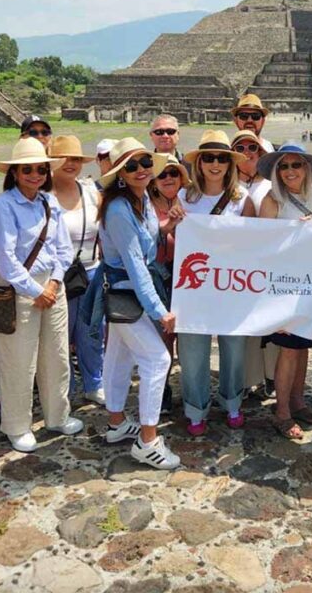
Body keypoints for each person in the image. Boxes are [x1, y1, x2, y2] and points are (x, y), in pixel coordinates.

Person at [0, 138, 82, 453]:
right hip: (18, 287)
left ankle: (57, 414)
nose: (35, 174)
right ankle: (16, 424)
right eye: (27, 169)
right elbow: (6, 256)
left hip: (52, 285)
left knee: (56, 356)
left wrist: (53, 283)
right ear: (14, 172)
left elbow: (63, 249)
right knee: (17, 361)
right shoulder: (3, 206)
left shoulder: (48, 203)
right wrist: (35, 290)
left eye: (40, 169)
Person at [95, 138, 180, 469]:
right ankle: (148, 440)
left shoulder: (139, 200)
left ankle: (117, 423)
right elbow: (134, 264)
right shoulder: (118, 209)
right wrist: (161, 312)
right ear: (119, 173)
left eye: (145, 163)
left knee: (118, 356)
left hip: (127, 292)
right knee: (158, 360)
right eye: (131, 166)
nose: (141, 170)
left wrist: (166, 227)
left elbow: (144, 242)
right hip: (125, 290)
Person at [177, 130, 255, 435]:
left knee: (233, 348)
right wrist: (172, 223)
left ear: (229, 163)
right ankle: (195, 407)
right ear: (199, 162)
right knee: (193, 350)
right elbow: (173, 237)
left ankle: (232, 401)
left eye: (221, 158)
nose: (214, 164)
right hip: (195, 287)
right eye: (208, 157)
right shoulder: (185, 197)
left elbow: (254, 242)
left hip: (229, 286)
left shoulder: (242, 199)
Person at [257, 143, 312, 438]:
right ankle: (282, 410)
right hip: (284, 287)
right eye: (284, 166)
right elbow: (263, 245)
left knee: (303, 349)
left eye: (296, 165)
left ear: (307, 169)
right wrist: (293, 235)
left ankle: (298, 401)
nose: (290, 171)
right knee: (288, 350)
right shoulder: (272, 199)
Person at [49, 135, 104, 405]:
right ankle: (64, 390)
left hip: (91, 271)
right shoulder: (44, 196)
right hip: (57, 277)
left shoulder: (91, 192)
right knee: (60, 338)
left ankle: (94, 382)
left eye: (75, 159)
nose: (70, 164)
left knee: (92, 332)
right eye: (64, 159)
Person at [231, 130, 278, 397]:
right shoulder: (224, 185)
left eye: (253, 147)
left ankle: (272, 376)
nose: (248, 152)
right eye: (241, 147)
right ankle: (247, 378)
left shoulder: (273, 184)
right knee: (244, 327)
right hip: (238, 268)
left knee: (270, 324)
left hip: (269, 264)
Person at [148, 152, 188, 413]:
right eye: (162, 174)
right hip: (159, 277)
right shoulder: (145, 205)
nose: (168, 178)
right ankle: (160, 391)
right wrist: (167, 227)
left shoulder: (190, 202)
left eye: (173, 173)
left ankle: (189, 387)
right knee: (161, 338)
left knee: (183, 337)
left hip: (185, 278)